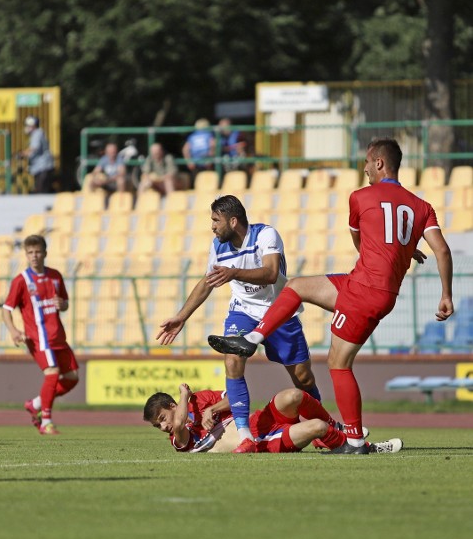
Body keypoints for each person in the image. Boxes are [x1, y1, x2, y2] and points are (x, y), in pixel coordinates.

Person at [208, 138, 454, 454]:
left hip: (365, 292)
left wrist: (392, 252)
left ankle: (353, 441)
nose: (364, 168)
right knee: (295, 286)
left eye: (367, 162)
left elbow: (362, 240)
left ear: (379, 163)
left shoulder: (361, 197)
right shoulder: (422, 207)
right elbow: (442, 250)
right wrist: (444, 293)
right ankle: (253, 337)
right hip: (367, 286)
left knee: (339, 364)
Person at [156, 195, 322, 453]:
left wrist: (233, 273)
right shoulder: (218, 246)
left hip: (279, 310)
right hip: (243, 311)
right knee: (232, 359)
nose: (212, 226)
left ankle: (323, 425)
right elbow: (207, 282)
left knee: (302, 376)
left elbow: (270, 273)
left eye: (215, 220)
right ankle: (245, 435)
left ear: (233, 221)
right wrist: (182, 316)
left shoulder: (266, 235)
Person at [143, 384, 402, 454]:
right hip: (263, 441)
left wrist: (212, 409)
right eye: (159, 426)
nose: (164, 426)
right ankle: (363, 447)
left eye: (162, 418)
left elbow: (237, 397)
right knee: (316, 427)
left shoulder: (202, 401)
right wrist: (183, 395)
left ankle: (335, 429)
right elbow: (179, 425)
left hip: (258, 422)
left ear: (170, 406)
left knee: (293, 396)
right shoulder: (178, 439)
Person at [2, 235, 79, 435]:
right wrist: (13, 330)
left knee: (72, 378)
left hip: (58, 336)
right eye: (30, 252)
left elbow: (65, 303)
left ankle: (35, 403)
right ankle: (46, 421)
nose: (34, 256)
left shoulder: (55, 276)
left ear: (45, 253)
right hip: (38, 338)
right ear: (26, 255)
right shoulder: (21, 281)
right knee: (52, 373)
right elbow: (6, 309)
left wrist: (62, 305)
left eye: (37, 252)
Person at [21, 115, 55, 194]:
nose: (26, 128)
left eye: (27, 125)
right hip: (40, 167)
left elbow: (34, 148)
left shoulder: (37, 133)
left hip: (43, 167)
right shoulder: (37, 134)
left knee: (40, 191)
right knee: (42, 190)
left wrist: (23, 153)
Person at [181, 118, 216, 183]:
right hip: (206, 161)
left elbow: (185, 149)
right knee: (208, 181)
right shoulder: (209, 135)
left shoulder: (192, 136)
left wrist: (189, 161)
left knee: (197, 181)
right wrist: (210, 159)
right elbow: (213, 146)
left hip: (195, 162)